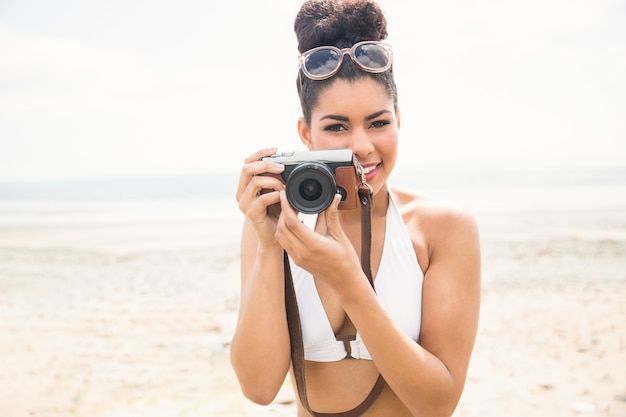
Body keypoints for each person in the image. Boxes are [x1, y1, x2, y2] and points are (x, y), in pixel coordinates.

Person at [231, 0, 481, 416]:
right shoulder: (276, 222)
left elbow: (438, 404)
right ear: (305, 134)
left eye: (378, 122)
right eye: (337, 127)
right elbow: (258, 387)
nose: (362, 146)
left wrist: (348, 280)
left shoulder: (441, 227)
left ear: (398, 119)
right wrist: (269, 244)